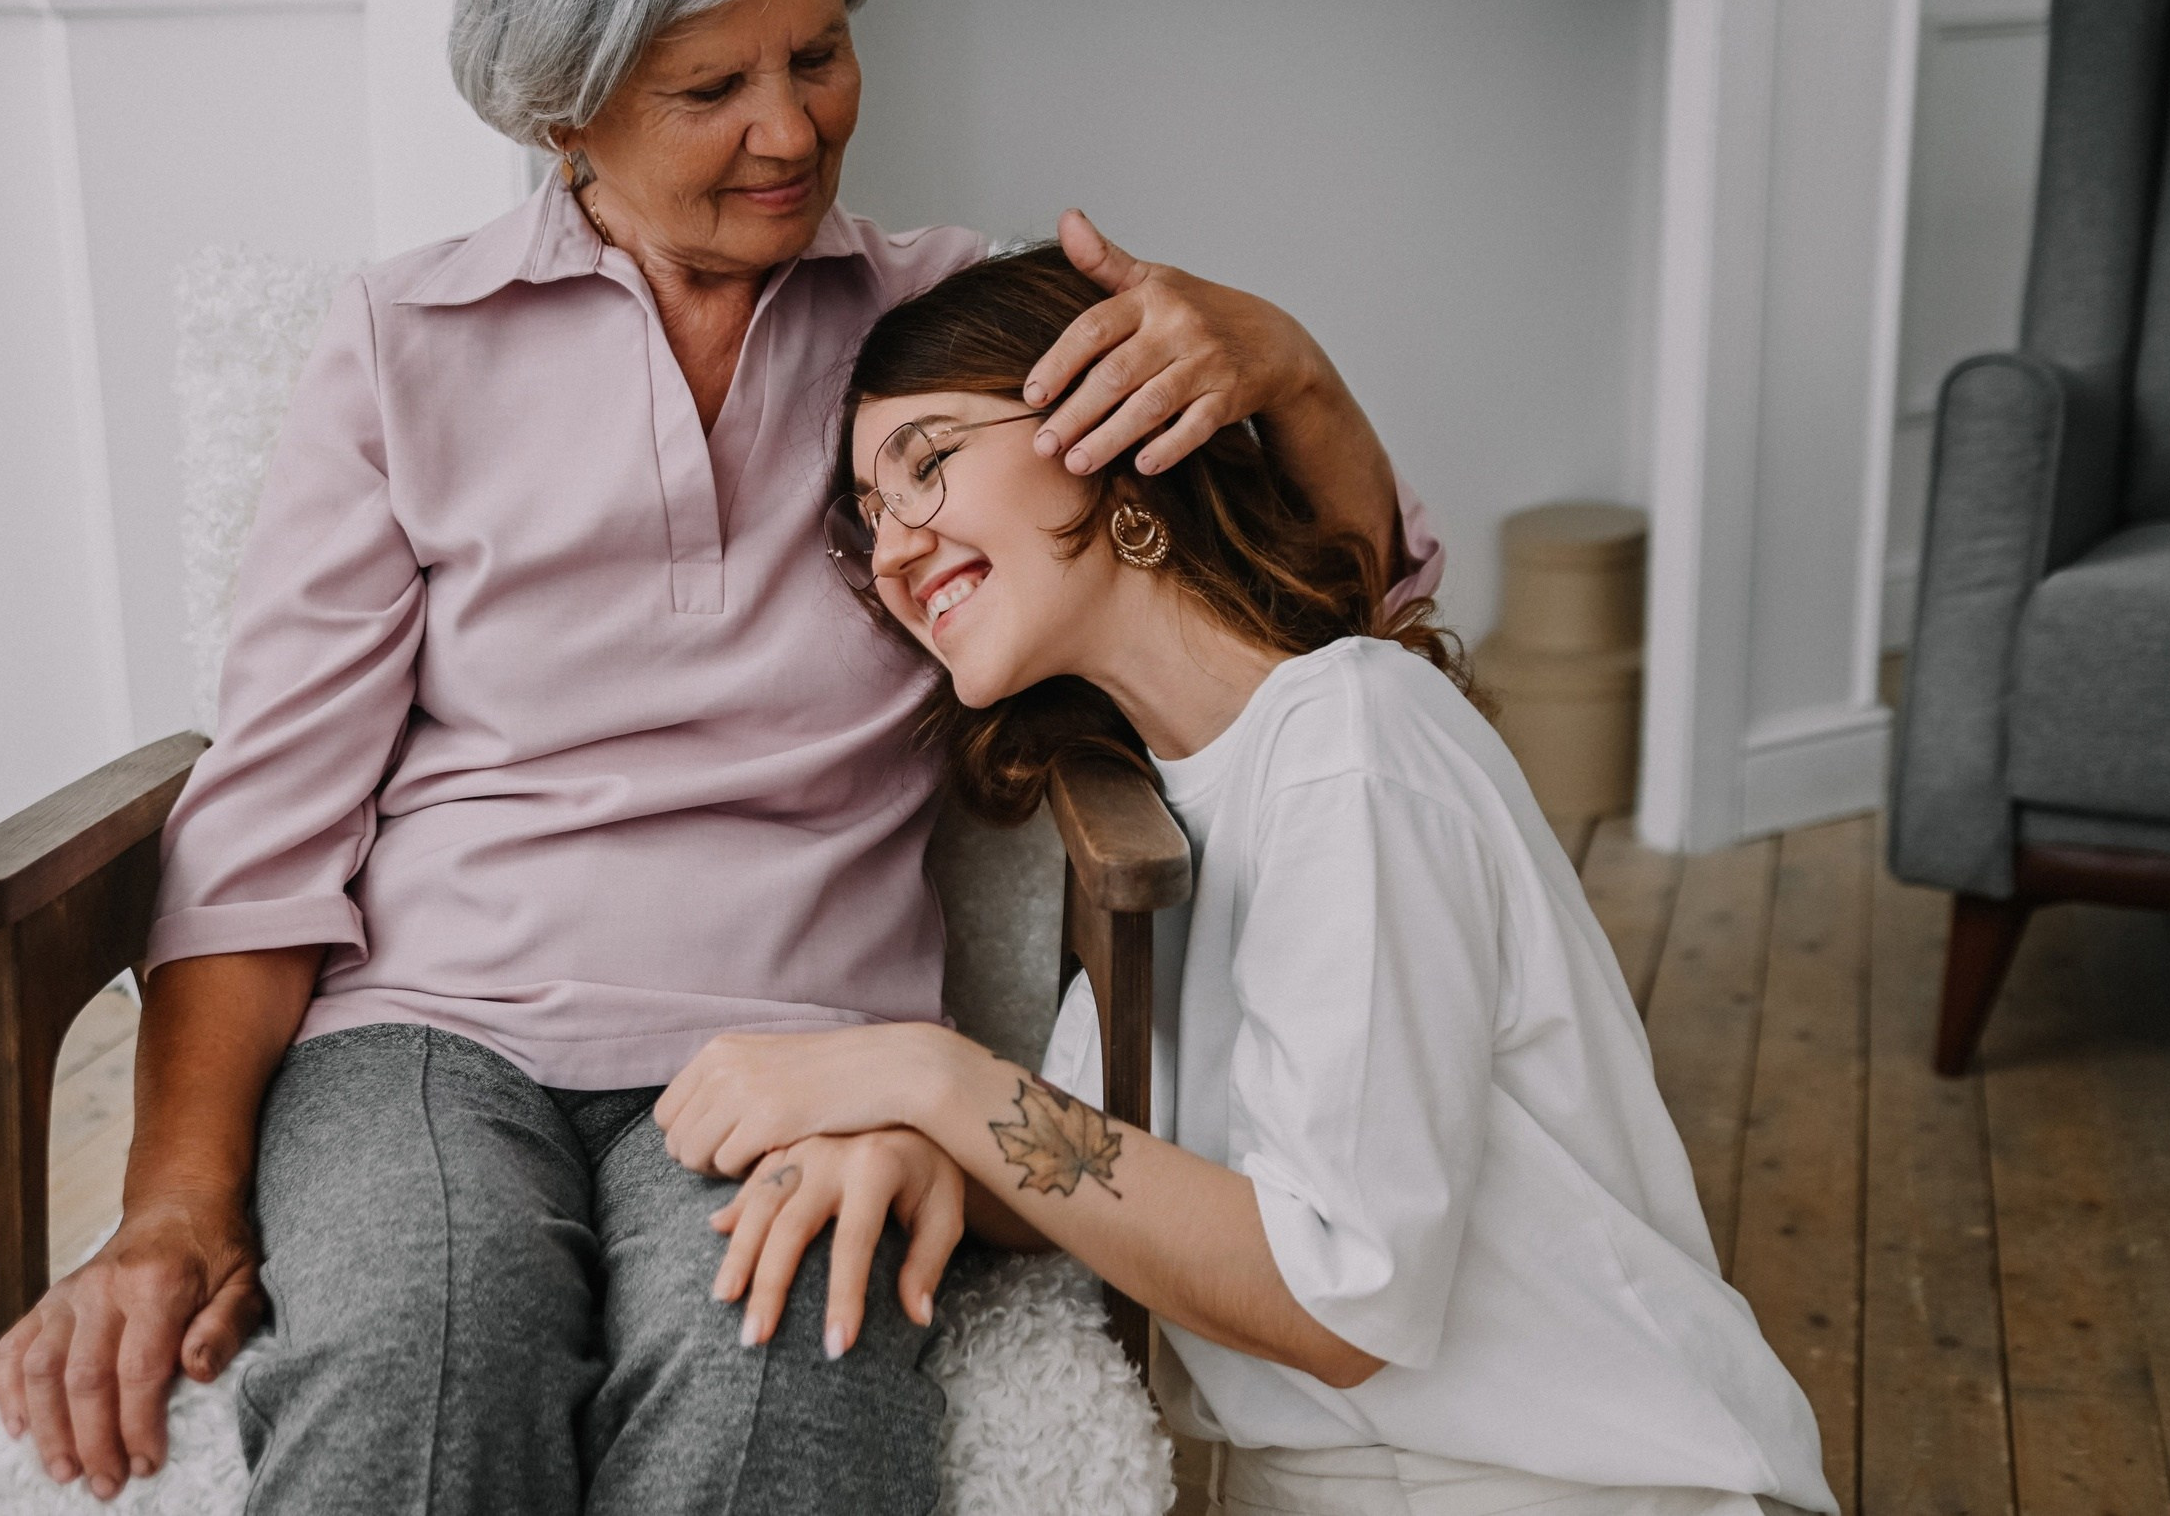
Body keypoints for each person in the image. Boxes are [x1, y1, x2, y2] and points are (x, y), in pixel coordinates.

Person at [0, 0, 1440, 1511]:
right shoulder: (404, 346)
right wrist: (174, 1198)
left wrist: (1298, 375)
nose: (790, 127)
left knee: (775, 1418)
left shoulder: (944, 340)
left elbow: (1324, 603)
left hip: (809, 1038)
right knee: (422, 1358)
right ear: (561, 109)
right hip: (431, 1032)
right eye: (708, 90)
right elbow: (266, 821)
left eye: (818, 54)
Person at [656, 246, 1839, 1516]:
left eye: (930, 463)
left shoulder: (1350, 748)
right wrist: (911, 1137)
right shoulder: (1158, 794)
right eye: (869, 516)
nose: (895, 549)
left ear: (1110, 432)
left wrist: (922, 1071)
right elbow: (1081, 1171)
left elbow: (1343, 1297)